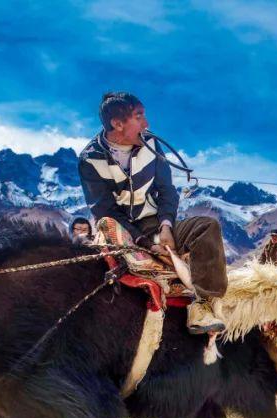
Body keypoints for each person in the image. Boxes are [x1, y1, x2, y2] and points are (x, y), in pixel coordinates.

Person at [78, 91, 227, 334]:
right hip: (120, 229)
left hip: (156, 224)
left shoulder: (152, 145)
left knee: (206, 227)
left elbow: (167, 191)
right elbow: (105, 210)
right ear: (118, 123)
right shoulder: (90, 160)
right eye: (139, 117)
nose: (146, 124)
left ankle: (204, 305)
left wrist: (166, 225)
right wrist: (145, 242)